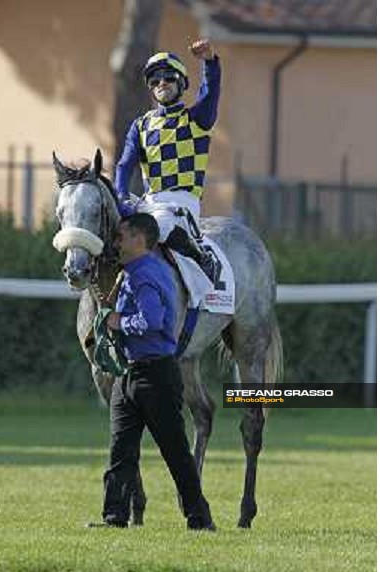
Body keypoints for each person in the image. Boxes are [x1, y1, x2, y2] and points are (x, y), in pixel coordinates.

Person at [89, 212, 215, 530]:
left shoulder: (144, 274)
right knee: (121, 451)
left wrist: (116, 321)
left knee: (175, 452)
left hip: (156, 376)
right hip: (130, 374)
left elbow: (152, 321)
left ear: (139, 239)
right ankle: (114, 517)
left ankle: (200, 519)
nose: (116, 241)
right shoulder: (134, 271)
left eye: (122, 236)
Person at [114, 39, 221, 285]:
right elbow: (124, 165)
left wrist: (209, 63)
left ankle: (200, 256)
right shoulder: (141, 125)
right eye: (154, 80)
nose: (161, 83)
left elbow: (211, 92)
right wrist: (120, 196)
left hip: (181, 202)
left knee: (154, 228)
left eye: (168, 77)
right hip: (148, 202)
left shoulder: (196, 118)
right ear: (150, 88)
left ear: (181, 83)